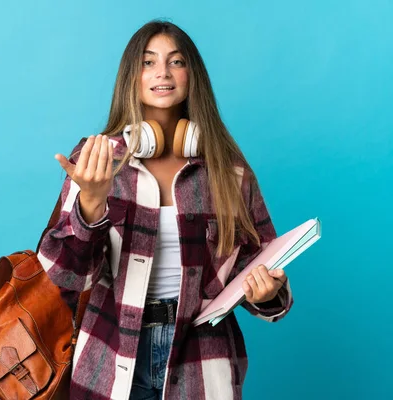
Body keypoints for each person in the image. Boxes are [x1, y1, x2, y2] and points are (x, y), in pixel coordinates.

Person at [38, 19, 293, 400]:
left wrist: (267, 292)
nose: (162, 72)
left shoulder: (228, 171)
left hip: (203, 362)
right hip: (111, 359)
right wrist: (90, 203)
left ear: (193, 76)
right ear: (132, 76)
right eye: (147, 62)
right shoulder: (98, 161)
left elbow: (262, 260)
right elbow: (61, 280)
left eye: (176, 62)